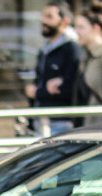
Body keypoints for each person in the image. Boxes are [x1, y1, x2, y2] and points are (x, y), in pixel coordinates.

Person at [25, 3, 86, 135]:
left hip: (61, 123)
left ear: (64, 22)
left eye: (49, 17)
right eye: (43, 16)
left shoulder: (72, 49)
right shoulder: (44, 49)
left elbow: (70, 88)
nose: (43, 21)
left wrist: (38, 92)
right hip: (40, 121)